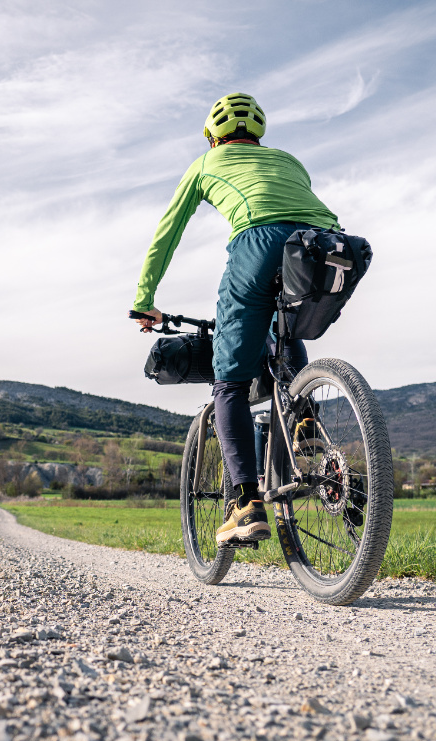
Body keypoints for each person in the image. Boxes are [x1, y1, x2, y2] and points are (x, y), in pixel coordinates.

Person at [131, 92, 339, 546]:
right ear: (258, 134)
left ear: (212, 137)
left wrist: (144, 298)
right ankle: (305, 424)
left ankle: (246, 503)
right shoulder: (287, 159)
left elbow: (167, 233)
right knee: (284, 326)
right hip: (327, 246)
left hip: (260, 243)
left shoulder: (205, 164)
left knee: (229, 382)